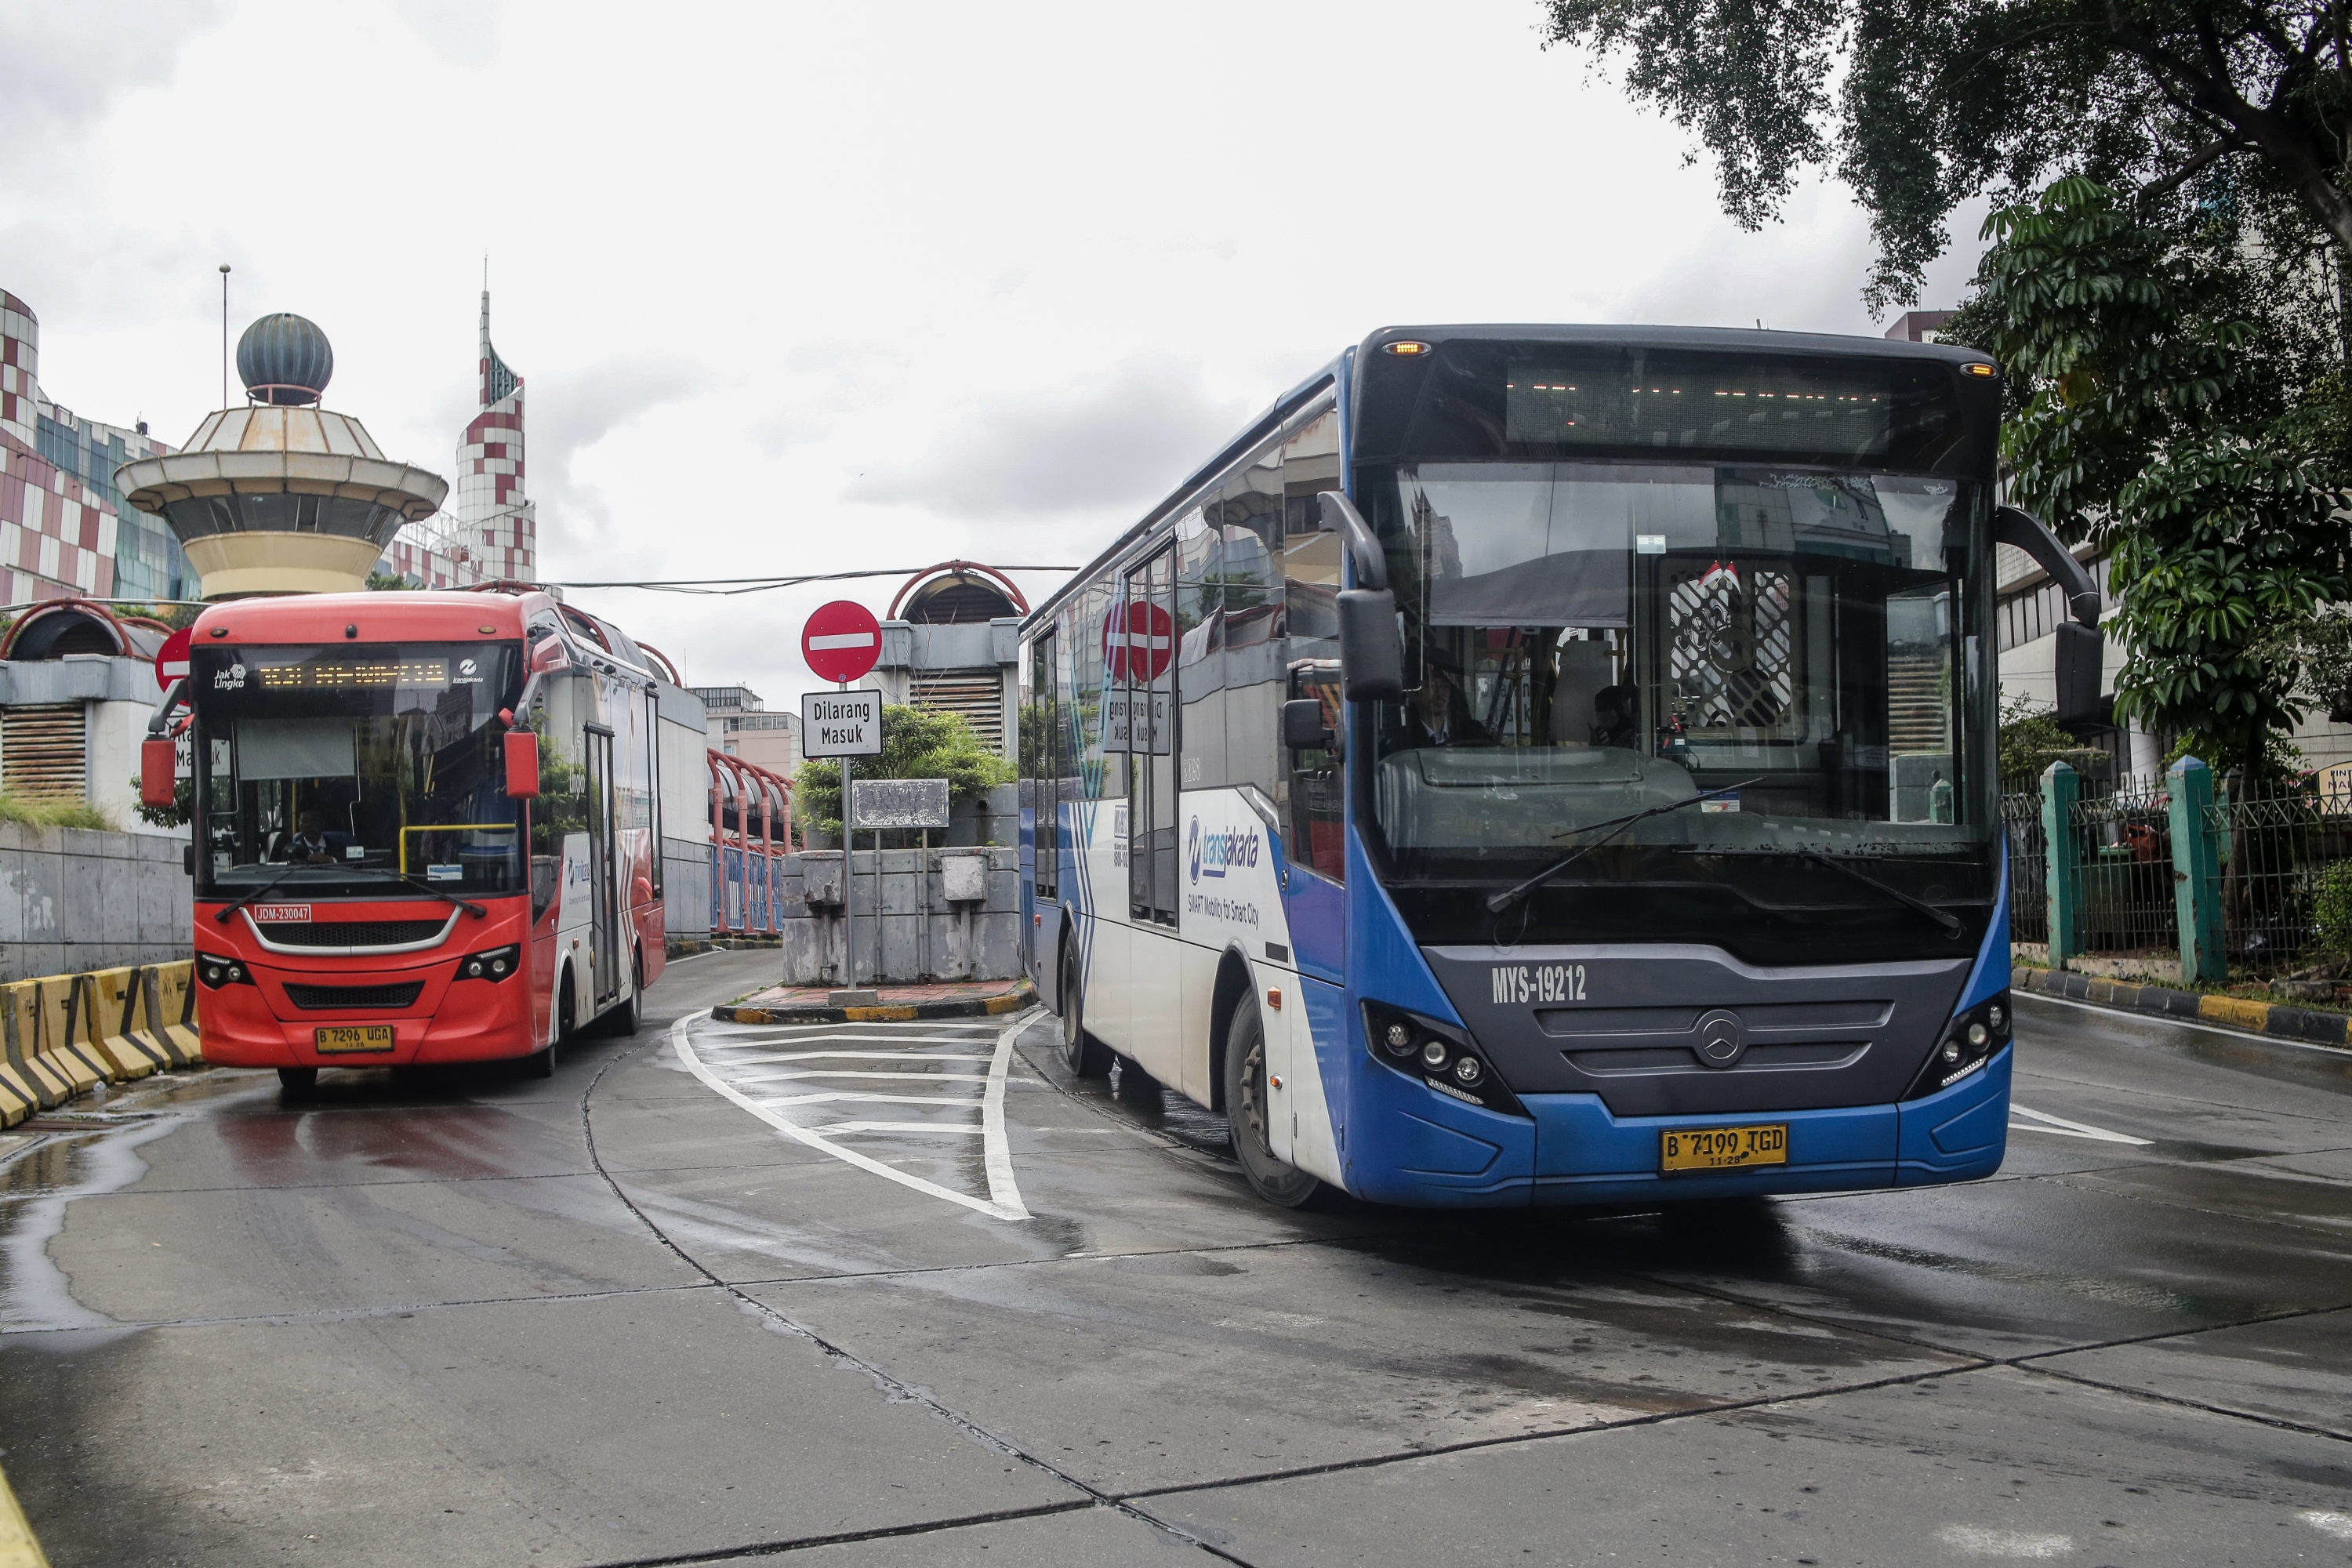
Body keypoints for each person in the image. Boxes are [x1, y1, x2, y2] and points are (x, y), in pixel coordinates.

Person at [1400, 661, 1491, 749]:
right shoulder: (1404, 739)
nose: (1440, 694)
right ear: (1411, 694)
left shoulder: (1474, 732)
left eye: (1445, 686)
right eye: (1431, 686)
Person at [272, 808, 339, 866]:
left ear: (322, 822)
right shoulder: (290, 851)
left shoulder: (338, 847)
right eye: (304, 820)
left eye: (314, 820)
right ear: (298, 823)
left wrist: (330, 859)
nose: (309, 825)